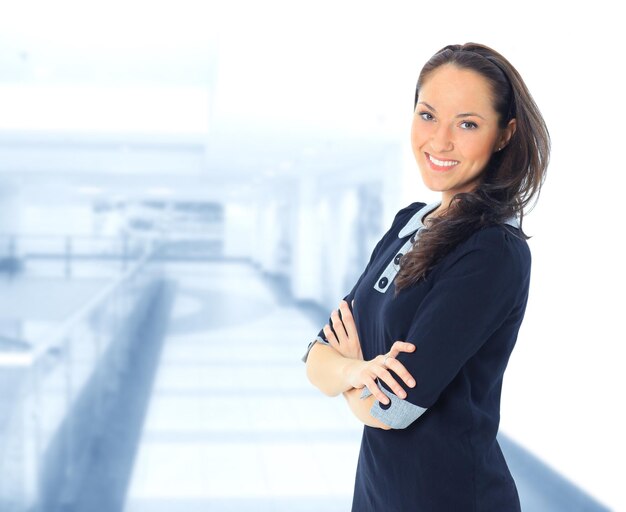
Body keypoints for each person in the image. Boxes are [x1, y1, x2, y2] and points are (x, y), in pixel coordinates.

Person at [302, 42, 550, 511]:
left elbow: (392, 409)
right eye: (428, 115)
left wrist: (350, 387)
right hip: (378, 492)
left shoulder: (493, 250)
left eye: (468, 124)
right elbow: (315, 355)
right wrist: (358, 372)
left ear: (504, 134)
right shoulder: (409, 222)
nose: (439, 141)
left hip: (451, 496)